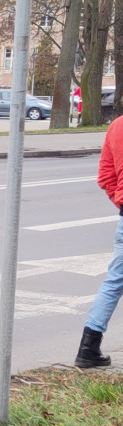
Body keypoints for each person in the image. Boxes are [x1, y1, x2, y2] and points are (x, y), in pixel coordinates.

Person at [75, 114, 123, 369]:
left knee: (115, 281)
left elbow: (105, 175)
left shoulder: (116, 126)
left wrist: (121, 201)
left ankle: (88, 347)